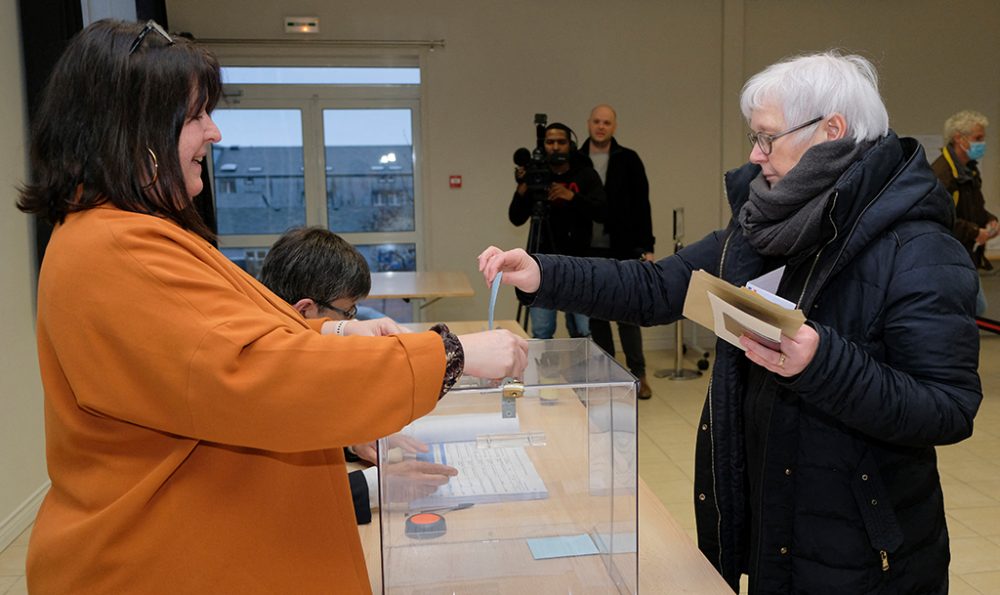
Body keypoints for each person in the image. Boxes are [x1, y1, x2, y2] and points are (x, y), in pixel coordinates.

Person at [16, 19, 528, 594]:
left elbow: (222, 349)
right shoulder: (115, 248)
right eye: (193, 116)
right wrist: (451, 353)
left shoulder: (123, 234)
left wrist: (337, 339)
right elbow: (257, 376)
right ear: (130, 132)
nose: (213, 133)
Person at [481, 51, 982, 594]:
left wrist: (823, 362)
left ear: (831, 131)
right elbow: (657, 287)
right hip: (776, 528)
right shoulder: (763, 227)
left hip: (864, 558)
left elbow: (948, 408)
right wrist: (541, 273)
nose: (754, 154)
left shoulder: (921, 248)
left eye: (766, 138)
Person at [258, 226, 458, 524]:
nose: (353, 323)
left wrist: (352, 443)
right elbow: (272, 502)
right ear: (305, 311)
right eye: (348, 312)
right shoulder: (259, 378)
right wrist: (380, 486)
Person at [581, 104, 655, 399]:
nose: (601, 126)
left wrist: (647, 247)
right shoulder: (577, 159)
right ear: (589, 124)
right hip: (586, 250)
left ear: (614, 126)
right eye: (597, 121)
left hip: (623, 249)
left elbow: (642, 205)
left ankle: (638, 375)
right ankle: (609, 375)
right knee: (597, 316)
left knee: (628, 314)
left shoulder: (629, 159)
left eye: (606, 122)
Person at [509, 122, 606, 339]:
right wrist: (523, 185)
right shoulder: (537, 176)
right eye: (550, 142)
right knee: (542, 331)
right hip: (542, 265)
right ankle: (544, 372)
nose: (555, 147)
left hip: (579, 264)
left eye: (560, 142)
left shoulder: (585, 174)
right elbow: (515, 218)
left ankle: (583, 372)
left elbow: (602, 211)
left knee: (583, 330)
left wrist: (572, 197)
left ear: (570, 145)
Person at [930, 110, 998, 316]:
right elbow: (938, 218)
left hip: (967, 256)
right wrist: (974, 232)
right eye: (978, 138)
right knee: (974, 309)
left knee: (971, 310)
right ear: (960, 139)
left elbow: (975, 209)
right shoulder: (942, 174)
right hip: (948, 258)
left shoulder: (969, 171)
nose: (983, 144)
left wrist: (990, 221)